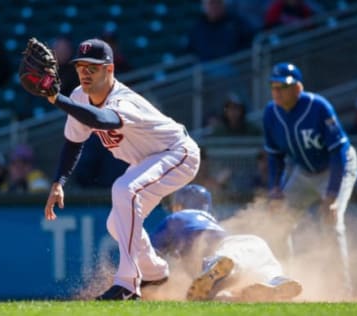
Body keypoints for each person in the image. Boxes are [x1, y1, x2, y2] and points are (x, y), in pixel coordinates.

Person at [40, 38, 200, 300]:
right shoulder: (81, 96)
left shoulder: (123, 100)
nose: (84, 72)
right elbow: (74, 141)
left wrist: (56, 98)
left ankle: (127, 283)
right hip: (149, 160)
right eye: (80, 67)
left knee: (124, 190)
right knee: (117, 223)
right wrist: (59, 181)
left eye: (92, 67)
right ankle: (154, 272)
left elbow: (100, 119)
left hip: (178, 153)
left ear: (109, 70)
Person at [262, 62, 357, 299]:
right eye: (273, 87)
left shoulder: (317, 106)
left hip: (337, 167)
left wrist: (333, 194)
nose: (277, 92)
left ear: (298, 88)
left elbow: (338, 150)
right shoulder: (270, 113)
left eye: (282, 87)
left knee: (331, 220)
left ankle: (343, 291)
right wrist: (275, 189)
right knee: (279, 221)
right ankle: (283, 283)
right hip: (303, 173)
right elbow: (275, 156)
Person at [148, 184, 302, 301]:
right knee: (266, 271)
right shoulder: (213, 223)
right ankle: (274, 282)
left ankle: (215, 265)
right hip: (250, 245)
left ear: (178, 206)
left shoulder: (175, 218)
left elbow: (148, 255)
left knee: (227, 263)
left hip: (229, 251)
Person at [187, 0, 254, 63]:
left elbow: (248, 44)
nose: (214, 7)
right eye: (210, 3)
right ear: (204, 6)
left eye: (217, 2)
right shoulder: (197, 29)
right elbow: (191, 51)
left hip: (236, 65)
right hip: (206, 68)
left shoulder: (237, 23)